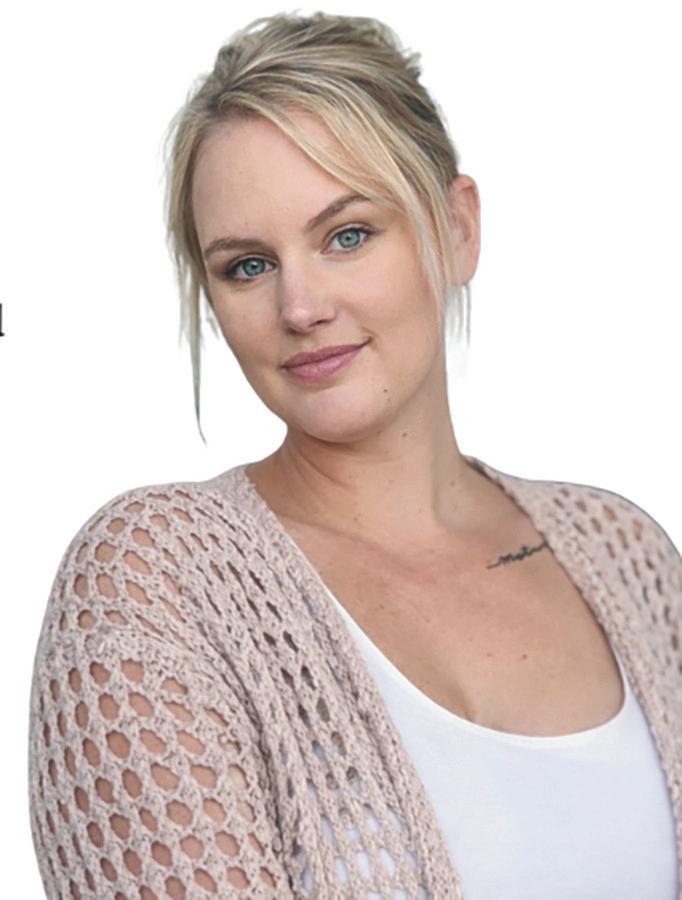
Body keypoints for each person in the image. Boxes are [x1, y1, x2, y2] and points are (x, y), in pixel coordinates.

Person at [28, 12, 681, 899]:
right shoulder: (155, 583)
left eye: (347, 235)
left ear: (457, 230)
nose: (300, 307)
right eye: (248, 266)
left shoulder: (629, 556)